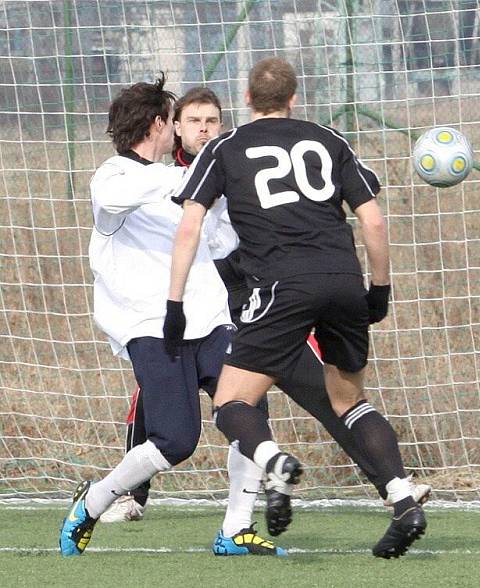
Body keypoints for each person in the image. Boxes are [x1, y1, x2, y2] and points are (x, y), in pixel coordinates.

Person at [101, 87, 432, 533]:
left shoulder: (237, 167)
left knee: (320, 392)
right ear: (173, 127)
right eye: (194, 120)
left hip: (263, 308)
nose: (204, 128)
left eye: (213, 121)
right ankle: (128, 492)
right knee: (162, 392)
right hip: (202, 317)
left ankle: (389, 485)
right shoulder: (176, 176)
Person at [58, 74, 287, 558]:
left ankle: (235, 529)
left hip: (208, 317)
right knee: (175, 440)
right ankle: (94, 501)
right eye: (177, 119)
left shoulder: (191, 183)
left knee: (247, 407)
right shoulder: (115, 175)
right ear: (160, 125)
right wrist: (193, 180)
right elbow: (118, 199)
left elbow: (221, 240)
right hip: (150, 327)